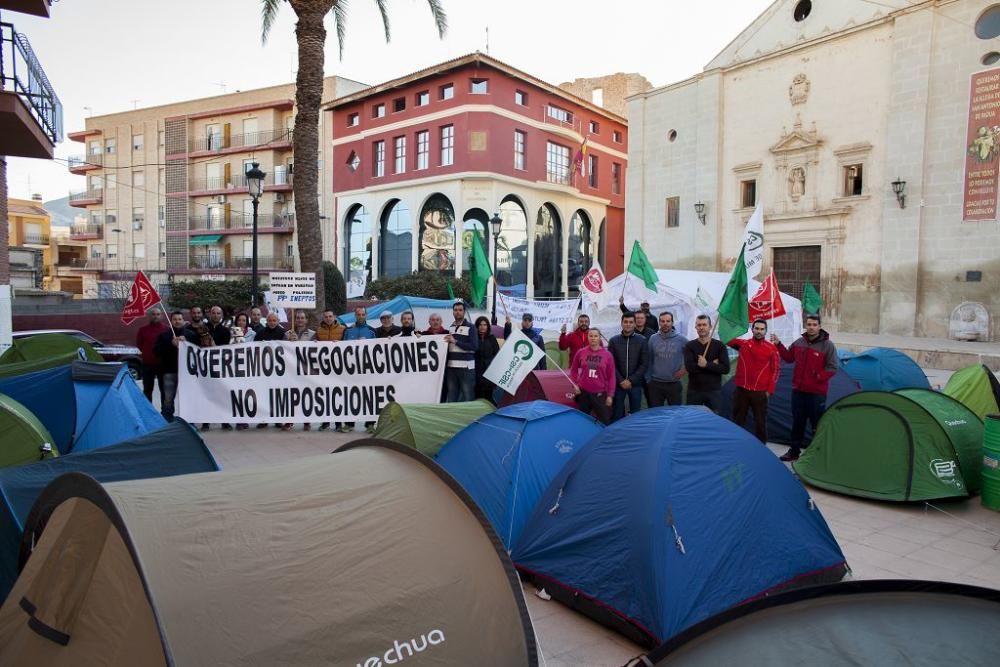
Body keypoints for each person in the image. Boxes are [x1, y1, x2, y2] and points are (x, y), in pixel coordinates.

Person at [772, 314, 839, 462]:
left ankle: (817, 454)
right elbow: (789, 357)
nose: (811, 327)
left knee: (816, 425)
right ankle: (794, 452)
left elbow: (833, 367)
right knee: (798, 423)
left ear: (819, 326)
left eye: (814, 325)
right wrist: (778, 344)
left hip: (816, 394)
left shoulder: (828, 346)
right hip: (798, 392)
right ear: (805, 325)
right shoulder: (799, 342)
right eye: (809, 324)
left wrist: (818, 377)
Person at [728, 319, 780, 444]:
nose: (759, 331)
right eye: (756, 328)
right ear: (752, 329)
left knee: (760, 422)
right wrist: (732, 323)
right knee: (738, 420)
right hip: (742, 390)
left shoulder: (772, 348)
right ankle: (736, 444)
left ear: (766, 331)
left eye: (762, 329)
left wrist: (769, 391)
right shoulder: (743, 344)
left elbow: (776, 370)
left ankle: (761, 447)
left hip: (760, 392)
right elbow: (727, 339)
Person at [153, 311, 198, 421]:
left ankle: (189, 420)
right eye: (175, 319)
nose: (177, 321)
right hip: (169, 371)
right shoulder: (164, 336)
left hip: (187, 373)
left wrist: (186, 342)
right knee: (168, 399)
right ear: (171, 321)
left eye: (179, 319)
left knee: (187, 398)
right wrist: (170, 344)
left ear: (183, 321)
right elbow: (156, 352)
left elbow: (198, 351)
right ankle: (167, 420)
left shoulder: (191, 335)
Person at [682, 315, 731, 413]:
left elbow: (725, 369)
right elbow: (690, 368)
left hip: (714, 392)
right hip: (694, 391)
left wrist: (706, 364)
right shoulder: (690, 346)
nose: (701, 327)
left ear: (710, 326)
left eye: (704, 325)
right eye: (699, 325)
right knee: (692, 420)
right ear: (695, 327)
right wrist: (713, 364)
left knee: (715, 420)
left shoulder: (719, 346)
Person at [608, 312, 649, 421]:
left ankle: (633, 435)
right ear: (621, 323)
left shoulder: (642, 340)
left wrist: (631, 380)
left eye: (631, 322)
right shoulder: (614, 340)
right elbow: (611, 364)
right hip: (618, 384)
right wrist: (621, 380)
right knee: (617, 413)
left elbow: (644, 364)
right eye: (625, 322)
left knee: (635, 414)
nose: (628, 324)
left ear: (635, 324)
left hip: (635, 385)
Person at [570, 328, 615, 425]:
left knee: (604, 422)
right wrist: (574, 384)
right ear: (587, 337)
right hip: (583, 393)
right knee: (582, 421)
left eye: (596, 336)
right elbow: (573, 370)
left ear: (600, 338)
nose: (593, 338)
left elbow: (611, 376)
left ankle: (603, 440)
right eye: (591, 336)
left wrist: (610, 395)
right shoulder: (581, 352)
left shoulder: (607, 355)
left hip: (600, 394)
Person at [343, 307, 377, 432]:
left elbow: (380, 350)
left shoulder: (372, 331)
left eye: (363, 314)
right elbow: (341, 347)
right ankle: (349, 424)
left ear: (366, 315)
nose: (360, 316)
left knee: (369, 397)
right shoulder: (348, 330)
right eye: (358, 314)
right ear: (355, 315)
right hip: (351, 370)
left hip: (368, 370)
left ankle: (370, 424)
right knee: (350, 396)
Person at [282, 310, 317, 431]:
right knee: (290, 396)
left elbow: (315, 351)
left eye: (302, 318)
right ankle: (289, 420)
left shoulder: (313, 334)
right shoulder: (287, 334)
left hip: (305, 370)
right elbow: (282, 350)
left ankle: (306, 421)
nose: (300, 320)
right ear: (295, 320)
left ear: (306, 320)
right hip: (291, 371)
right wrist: (289, 342)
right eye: (298, 318)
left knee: (306, 396)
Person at [646, 311, 688, 407]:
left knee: (675, 414)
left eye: (668, 321)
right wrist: (649, 379)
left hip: (674, 384)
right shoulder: (653, 338)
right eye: (662, 321)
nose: (665, 324)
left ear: (672, 322)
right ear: (659, 323)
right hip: (655, 384)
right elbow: (649, 359)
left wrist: (685, 369)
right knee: (656, 414)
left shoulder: (681, 339)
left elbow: (692, 355)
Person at [316, 309, 346, 432]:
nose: (328, 318)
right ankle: (325, 422)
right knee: (325, 395)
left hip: (339, 367)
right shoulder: (319, 330)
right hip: (324, 367)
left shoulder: (343, 329)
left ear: (334, 317)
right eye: (326, 317)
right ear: (323, 318)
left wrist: (341, 343)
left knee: (338, 395)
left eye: (330, 316)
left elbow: (348, 343)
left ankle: (338, 423)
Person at [444, 301, 479, 402]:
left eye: (460, 310)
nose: (457, 312)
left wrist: (455, 341)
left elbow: (474, 346)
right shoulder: (450, 328)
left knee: (468, 394)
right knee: (451, 394)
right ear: (453, 312)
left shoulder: (471, 327)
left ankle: (469, 416)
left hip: (466, 367)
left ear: (464, 312)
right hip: (451, 367)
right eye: (455, 310)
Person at [136, 309, 168, 406]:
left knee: (164, 389)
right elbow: (139, 344)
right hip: (147, 364)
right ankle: (148, 412)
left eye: (158, 314)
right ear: (149, 316)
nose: (155, 316)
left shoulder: (167, 329)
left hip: (163, 364)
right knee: (147, 390)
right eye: (153, 314)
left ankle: (164, 413)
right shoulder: (142, 330)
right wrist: (148, 352)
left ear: (161, 316)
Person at [474, 315, 500, 403]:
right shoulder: (473, 338)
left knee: (489, 396)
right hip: (477, 371)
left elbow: (497, 354)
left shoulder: (492, 338)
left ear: (488, 326)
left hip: (489, 371)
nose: (482, 327)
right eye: (480, 325)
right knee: (478, 395)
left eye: (484, 325)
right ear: (477, 326)